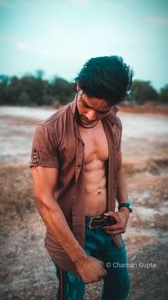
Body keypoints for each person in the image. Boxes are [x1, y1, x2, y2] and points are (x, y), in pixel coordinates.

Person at [30, 56, 134, 300]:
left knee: (120, 288)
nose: (90, 116)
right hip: (72, 232)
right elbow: (44, 199)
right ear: (79, 86)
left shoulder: (113, 123)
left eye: (101, 110)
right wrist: (79, 258)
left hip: (108, 228)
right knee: (72, 295)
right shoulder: (50, 130)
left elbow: (116, 167)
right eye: (86, 105)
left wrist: (125, 208)